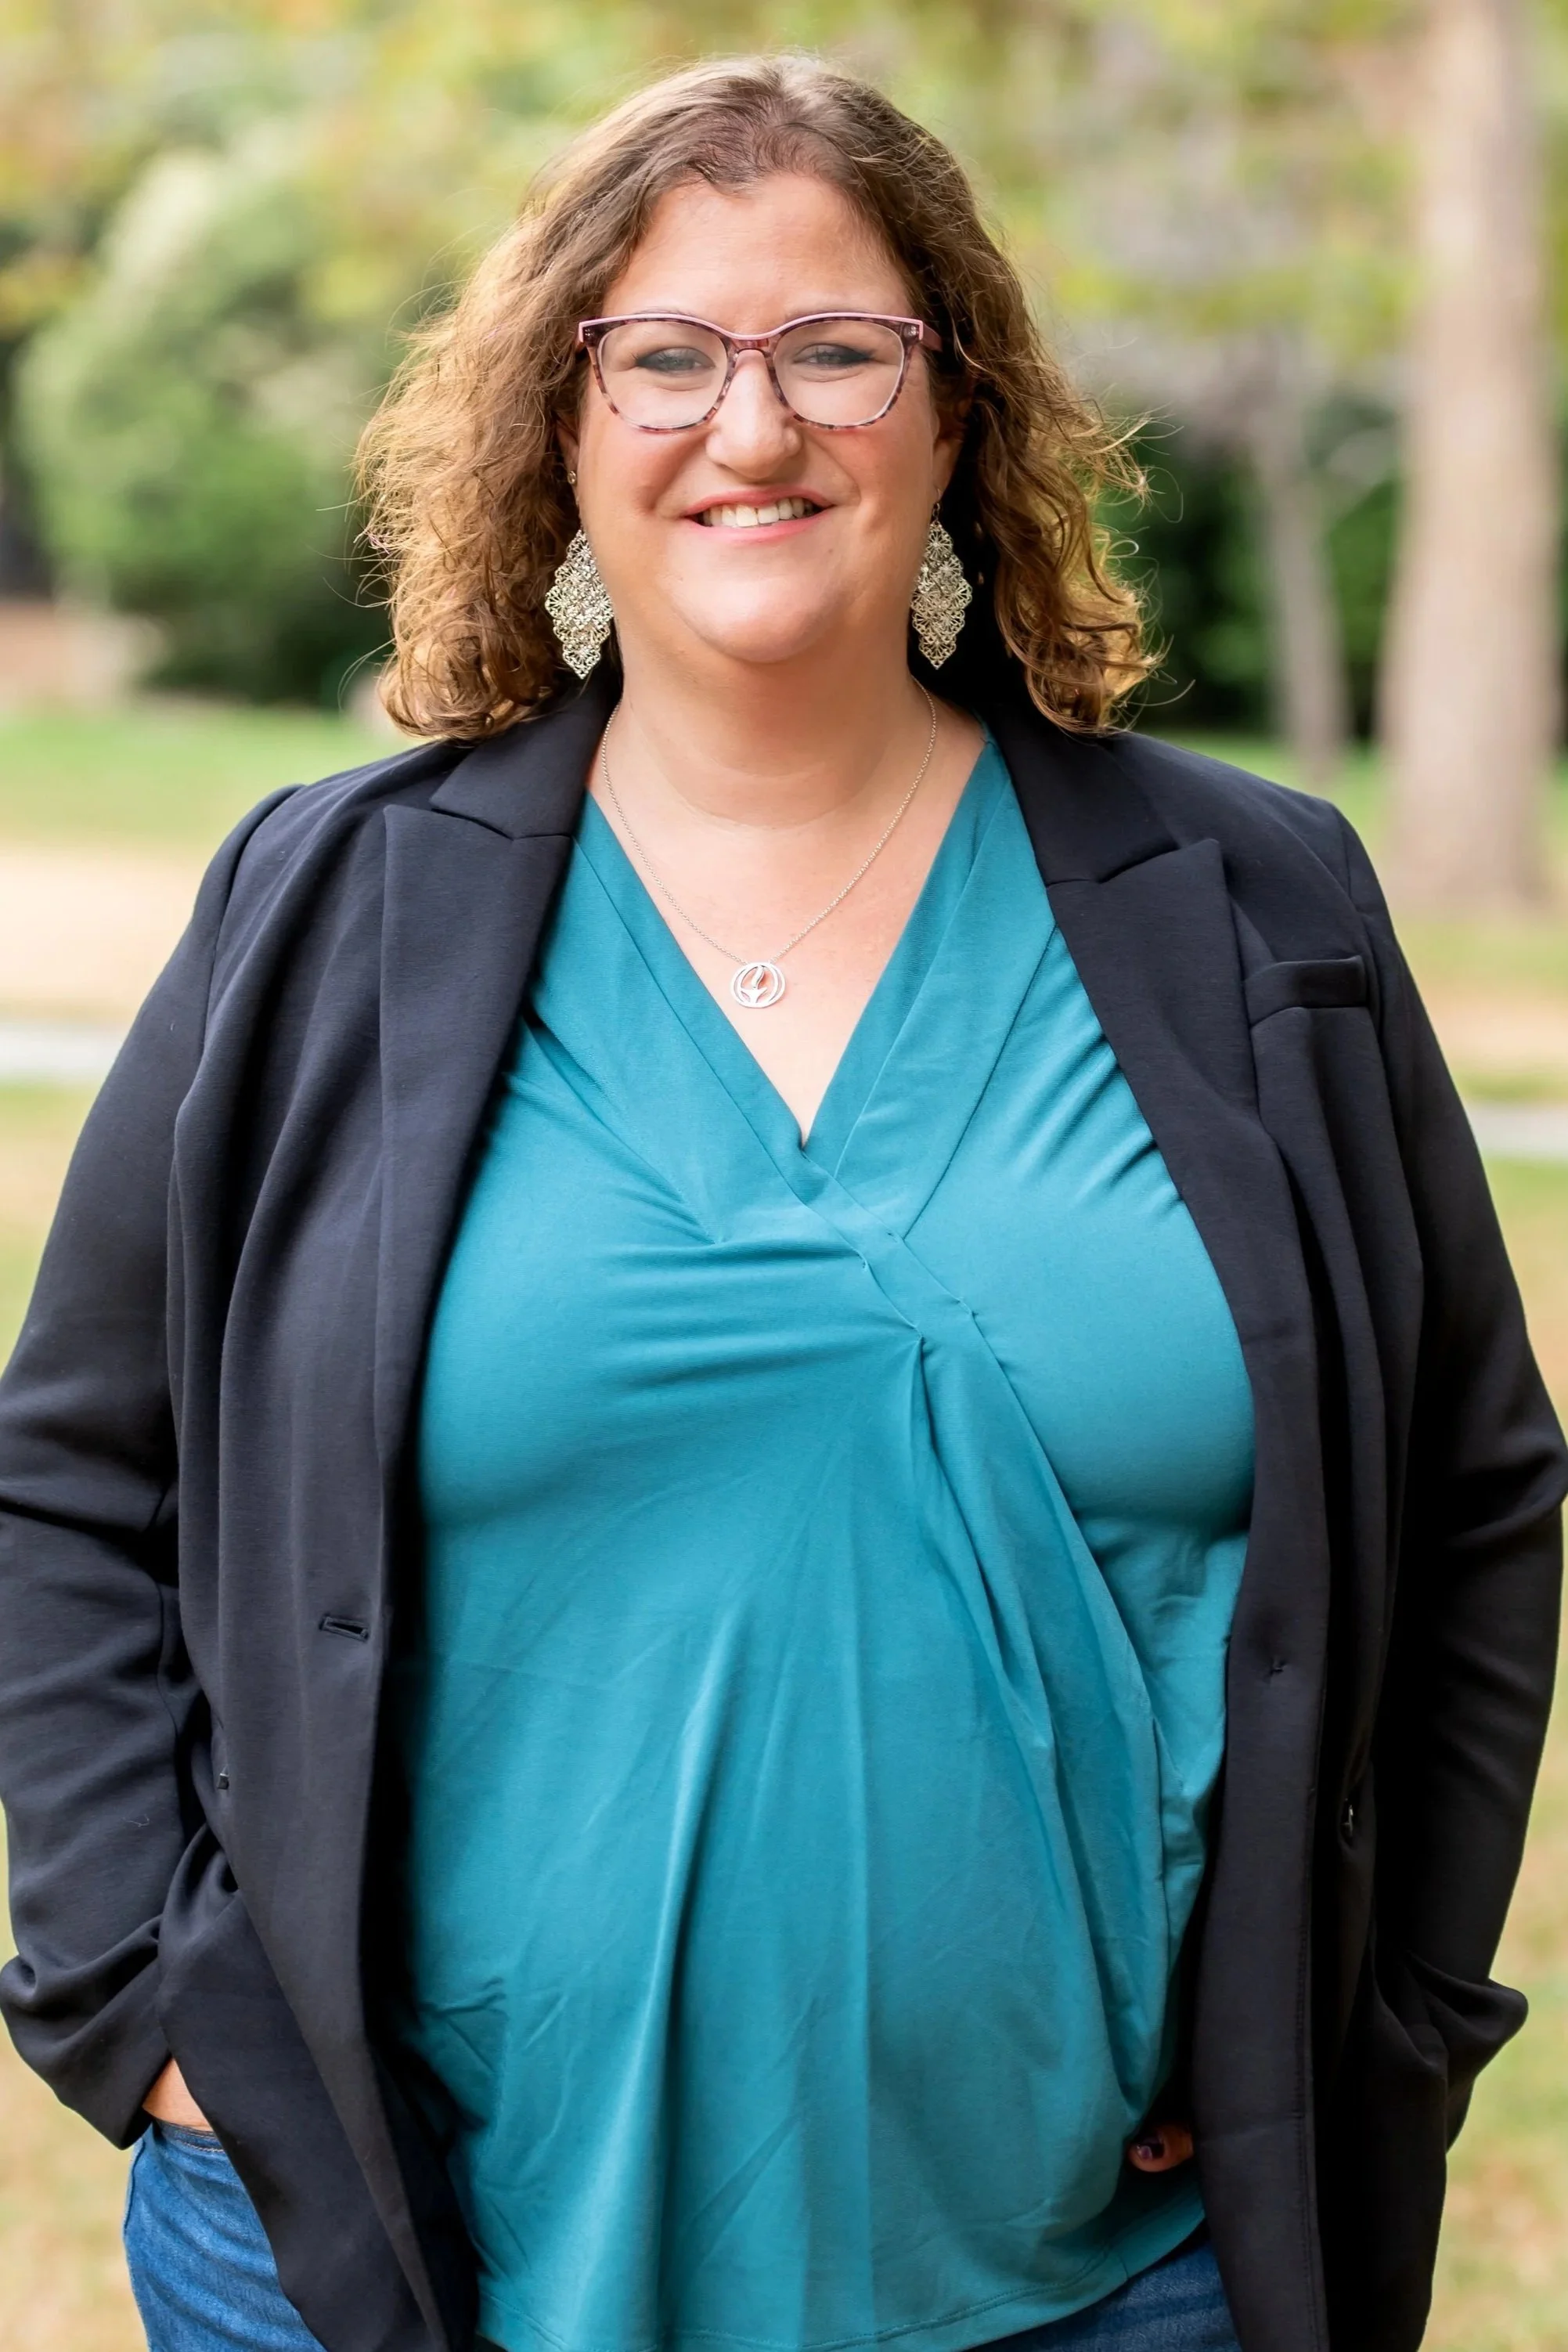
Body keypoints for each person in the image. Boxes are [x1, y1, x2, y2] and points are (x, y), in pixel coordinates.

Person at [0, 52, 1562, 2352]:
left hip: (1118, 2284)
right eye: (665, 357)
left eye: (839, 348)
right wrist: (138, 1984)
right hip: (399, 2262)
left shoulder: (1250, 909)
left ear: (958, 418)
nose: (755, 430)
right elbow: (76, 1468)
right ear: (561, 423)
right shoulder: (328, 909)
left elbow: (1473, 1493)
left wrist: (1378, 2013)